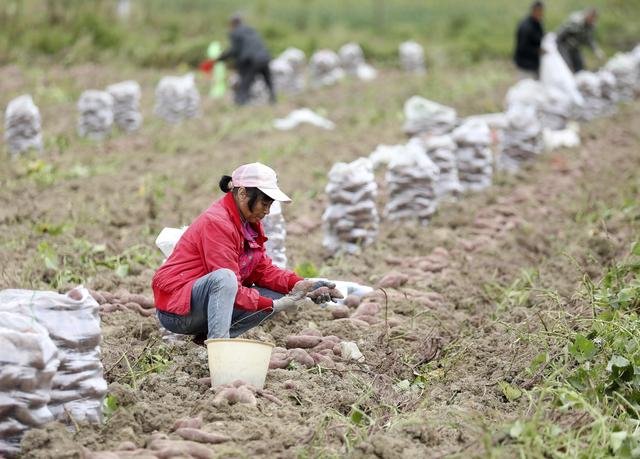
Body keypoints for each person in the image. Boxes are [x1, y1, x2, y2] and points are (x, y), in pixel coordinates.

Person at [152, 162, 339, 340]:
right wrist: (272, 306)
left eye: (270, 205)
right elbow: (226, 284)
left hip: (203, 305)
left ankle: (210, 340)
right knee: (225, 278)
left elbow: (262, 270)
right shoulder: (217, 223)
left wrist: (302, 285)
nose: (267, 211)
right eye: (264, 204)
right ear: (242, 193)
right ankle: (219, 345)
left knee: (280, 293)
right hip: (178, 311)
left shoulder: (250, 224)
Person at [217, 15, 276, 105]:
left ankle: (241, 103)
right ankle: (273, 101)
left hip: (251, 60)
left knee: (245, 82)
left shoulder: (235, 33)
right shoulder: (251, 29)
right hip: (265, 56)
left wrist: (221, 57)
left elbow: (234, 50)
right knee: (268, 81)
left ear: (232, 24)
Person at [556, 8, 604, 73]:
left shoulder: (590, 26)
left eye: (594, 18)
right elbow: (561, 32)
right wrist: (557, 43)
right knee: (566, 65)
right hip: (564, 45)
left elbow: (589, 39)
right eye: (591, 17)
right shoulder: (576, 21)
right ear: (587, 15)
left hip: (575, 47)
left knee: (580, 67)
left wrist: (596, 50)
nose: (592, 20)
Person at [514, 1, 545, 79]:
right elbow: (522, 48)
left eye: (541, 11)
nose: (541, 14)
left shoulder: (537, 23)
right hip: (525, 64)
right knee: (526, 86)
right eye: (539, 11)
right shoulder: (526, 27)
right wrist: (538, 51)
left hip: (533, 62)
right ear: (533, 11)